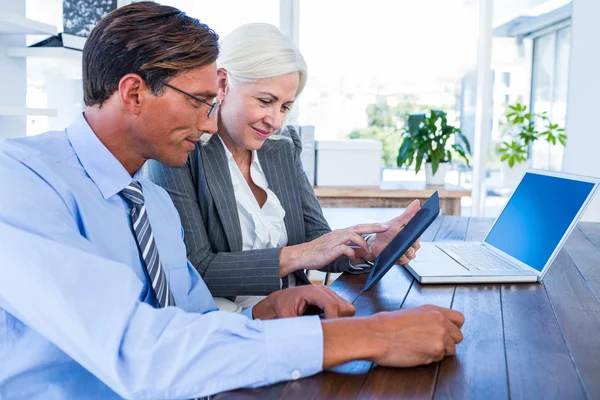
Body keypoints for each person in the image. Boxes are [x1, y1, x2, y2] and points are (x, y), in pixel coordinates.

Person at [0, 2, 464, 399]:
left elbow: (193, 319)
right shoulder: (21, 182)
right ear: (134, 92)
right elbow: (136, 350)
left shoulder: (152, 205)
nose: (208, 125)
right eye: (202, 102)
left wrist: (266, 312)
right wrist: (369, 335)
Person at [146, 23, 421, 308]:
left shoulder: (282, 146)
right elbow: (195, 269)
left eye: (285, 107)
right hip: (229, 323)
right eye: (266, 101)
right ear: (223, 84)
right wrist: (298, 255)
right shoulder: (179, 151)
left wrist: (369, 248)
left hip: (298, 311)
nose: (275, 120)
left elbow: (318, 240)